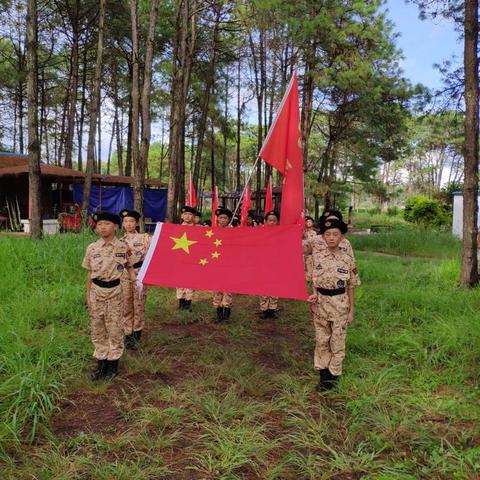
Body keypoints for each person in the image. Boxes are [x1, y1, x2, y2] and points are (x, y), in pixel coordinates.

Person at [307, 218, 360, 392]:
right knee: (322, 340)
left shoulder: (347, 259)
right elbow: (314, 280)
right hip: (321, 304)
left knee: (337, 342)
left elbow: (351, 286)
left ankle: (334, 376)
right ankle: (323, 376)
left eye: (335, 234)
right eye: (327, 234)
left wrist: (352, 309)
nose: (331, 238)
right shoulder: (317, 256)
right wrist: (314, 294)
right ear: (322, 237)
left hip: (340, 305)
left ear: (342, 237)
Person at [82, 211, 134, 381]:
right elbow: (90, 274)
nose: (102, 227)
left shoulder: (123, 247)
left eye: (106, 224)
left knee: (115, 328)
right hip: (97, 292)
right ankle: (101, 363)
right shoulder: (92, 248)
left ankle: (113, 364)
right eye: (99, 225)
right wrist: (87, 296)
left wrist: (136, 281)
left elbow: (130, 267)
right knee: (97, 328)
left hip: (115, 293)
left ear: (116, 227)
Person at [119, 209, 151, 350]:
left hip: (140, 273)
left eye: (131, 221)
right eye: (125, 221)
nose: (128, 224)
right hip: (124, 275)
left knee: (138, 304)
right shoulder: (120, 241)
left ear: (137, 223)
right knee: (126, 303)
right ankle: (128, 334)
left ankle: (137, 334)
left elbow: (155, 252)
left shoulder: (145, 238)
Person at [212, 207, 234, 322]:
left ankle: (226, 315)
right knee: (217, 290)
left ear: (229, 219)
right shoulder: (212, 232)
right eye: (220, 218)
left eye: (225, 218)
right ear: (217, 219)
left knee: (228, 290)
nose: (223, 220)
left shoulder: (234, 232)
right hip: (216, 265)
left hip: (229, 266)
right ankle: (219, 315)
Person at [259, 210, 280, 319]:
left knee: (274, 287)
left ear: (277, 222)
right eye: (270, 220)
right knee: (264, 287)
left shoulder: (281, 233)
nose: (272, 222)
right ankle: (264, 309)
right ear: (266, 221)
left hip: (276, 265)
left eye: (274, 220)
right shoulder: (260, 233)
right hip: (263, 265)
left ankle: (272, 309)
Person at [176, 206, 196, 310]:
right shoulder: (175, 229)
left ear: (193, 217)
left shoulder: (198, 229)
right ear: (182, 216)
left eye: (190, 214)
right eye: (185, 214)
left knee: (190, 281)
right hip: (180, 259)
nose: (187, 216)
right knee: (179, 281)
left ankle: (188, 303)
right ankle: (181, 302)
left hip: (193, 260)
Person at [303, 215, 317, 283]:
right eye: (306, 221)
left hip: (310, 254)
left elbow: (314, 243)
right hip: (301, 254)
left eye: (310, 221)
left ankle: (310, 283)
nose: (308, 223)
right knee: (302, 269)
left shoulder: (314, 233)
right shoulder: (302, 232)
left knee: (310, 269)